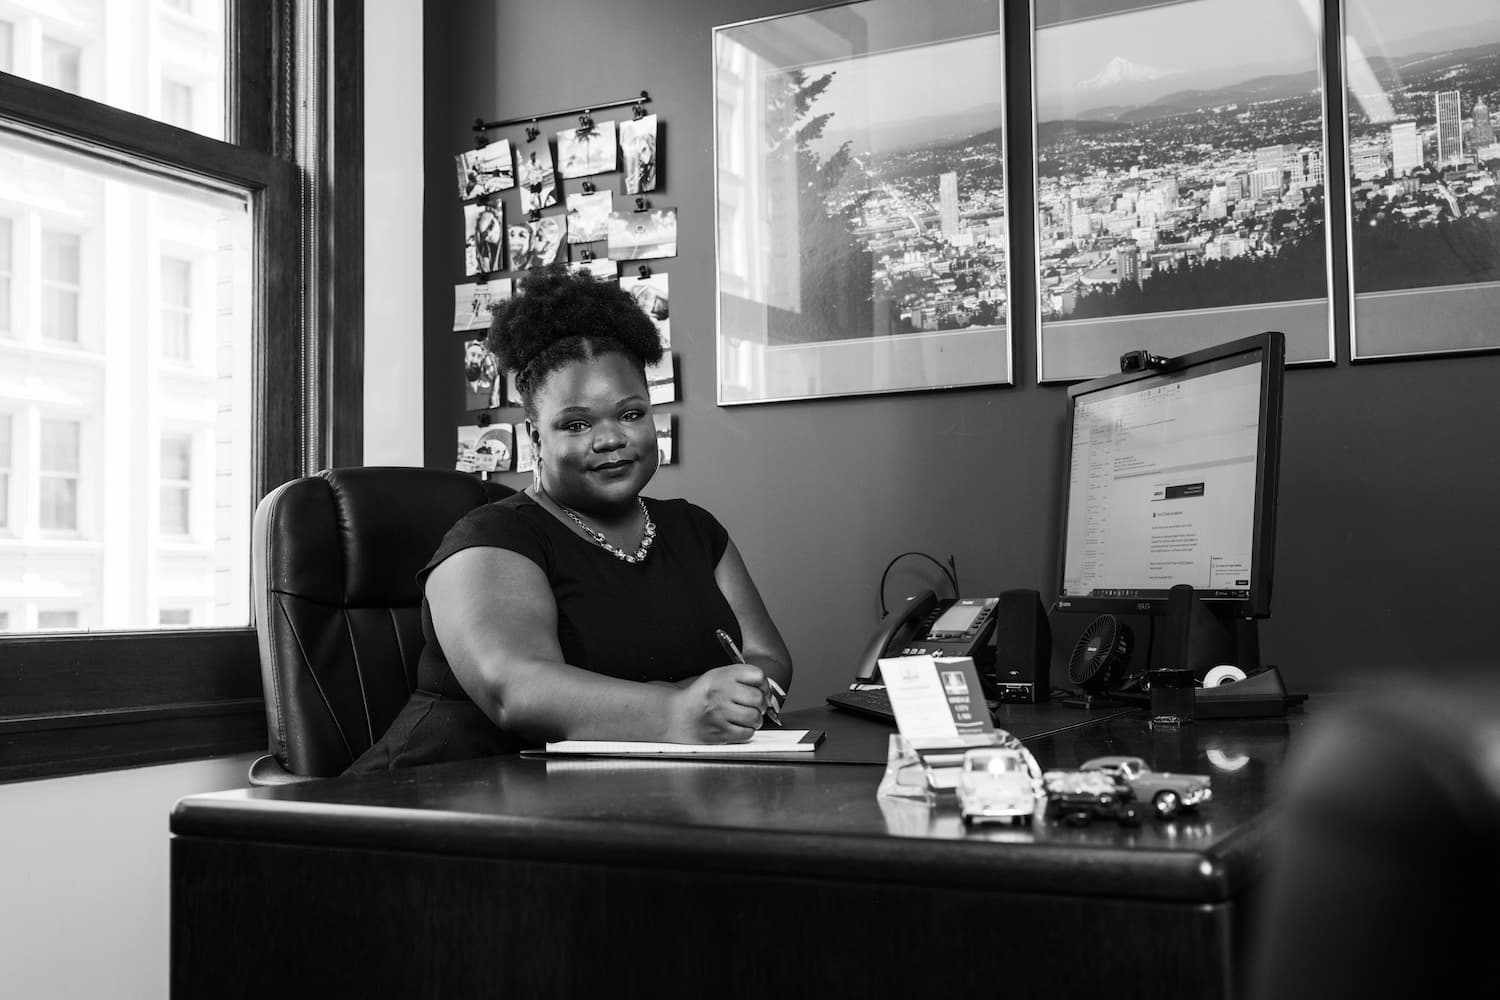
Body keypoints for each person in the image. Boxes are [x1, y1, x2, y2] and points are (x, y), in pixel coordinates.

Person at [347, 265, 792, 772]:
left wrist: (745, 695)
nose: (611, 439)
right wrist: (675, 708)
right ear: (537, 439)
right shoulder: (491, 540)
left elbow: (765, 655)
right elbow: (515, 690)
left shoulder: (695, 530)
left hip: (613, 801)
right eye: (577, 424)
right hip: (435, 802)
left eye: (631, 414)